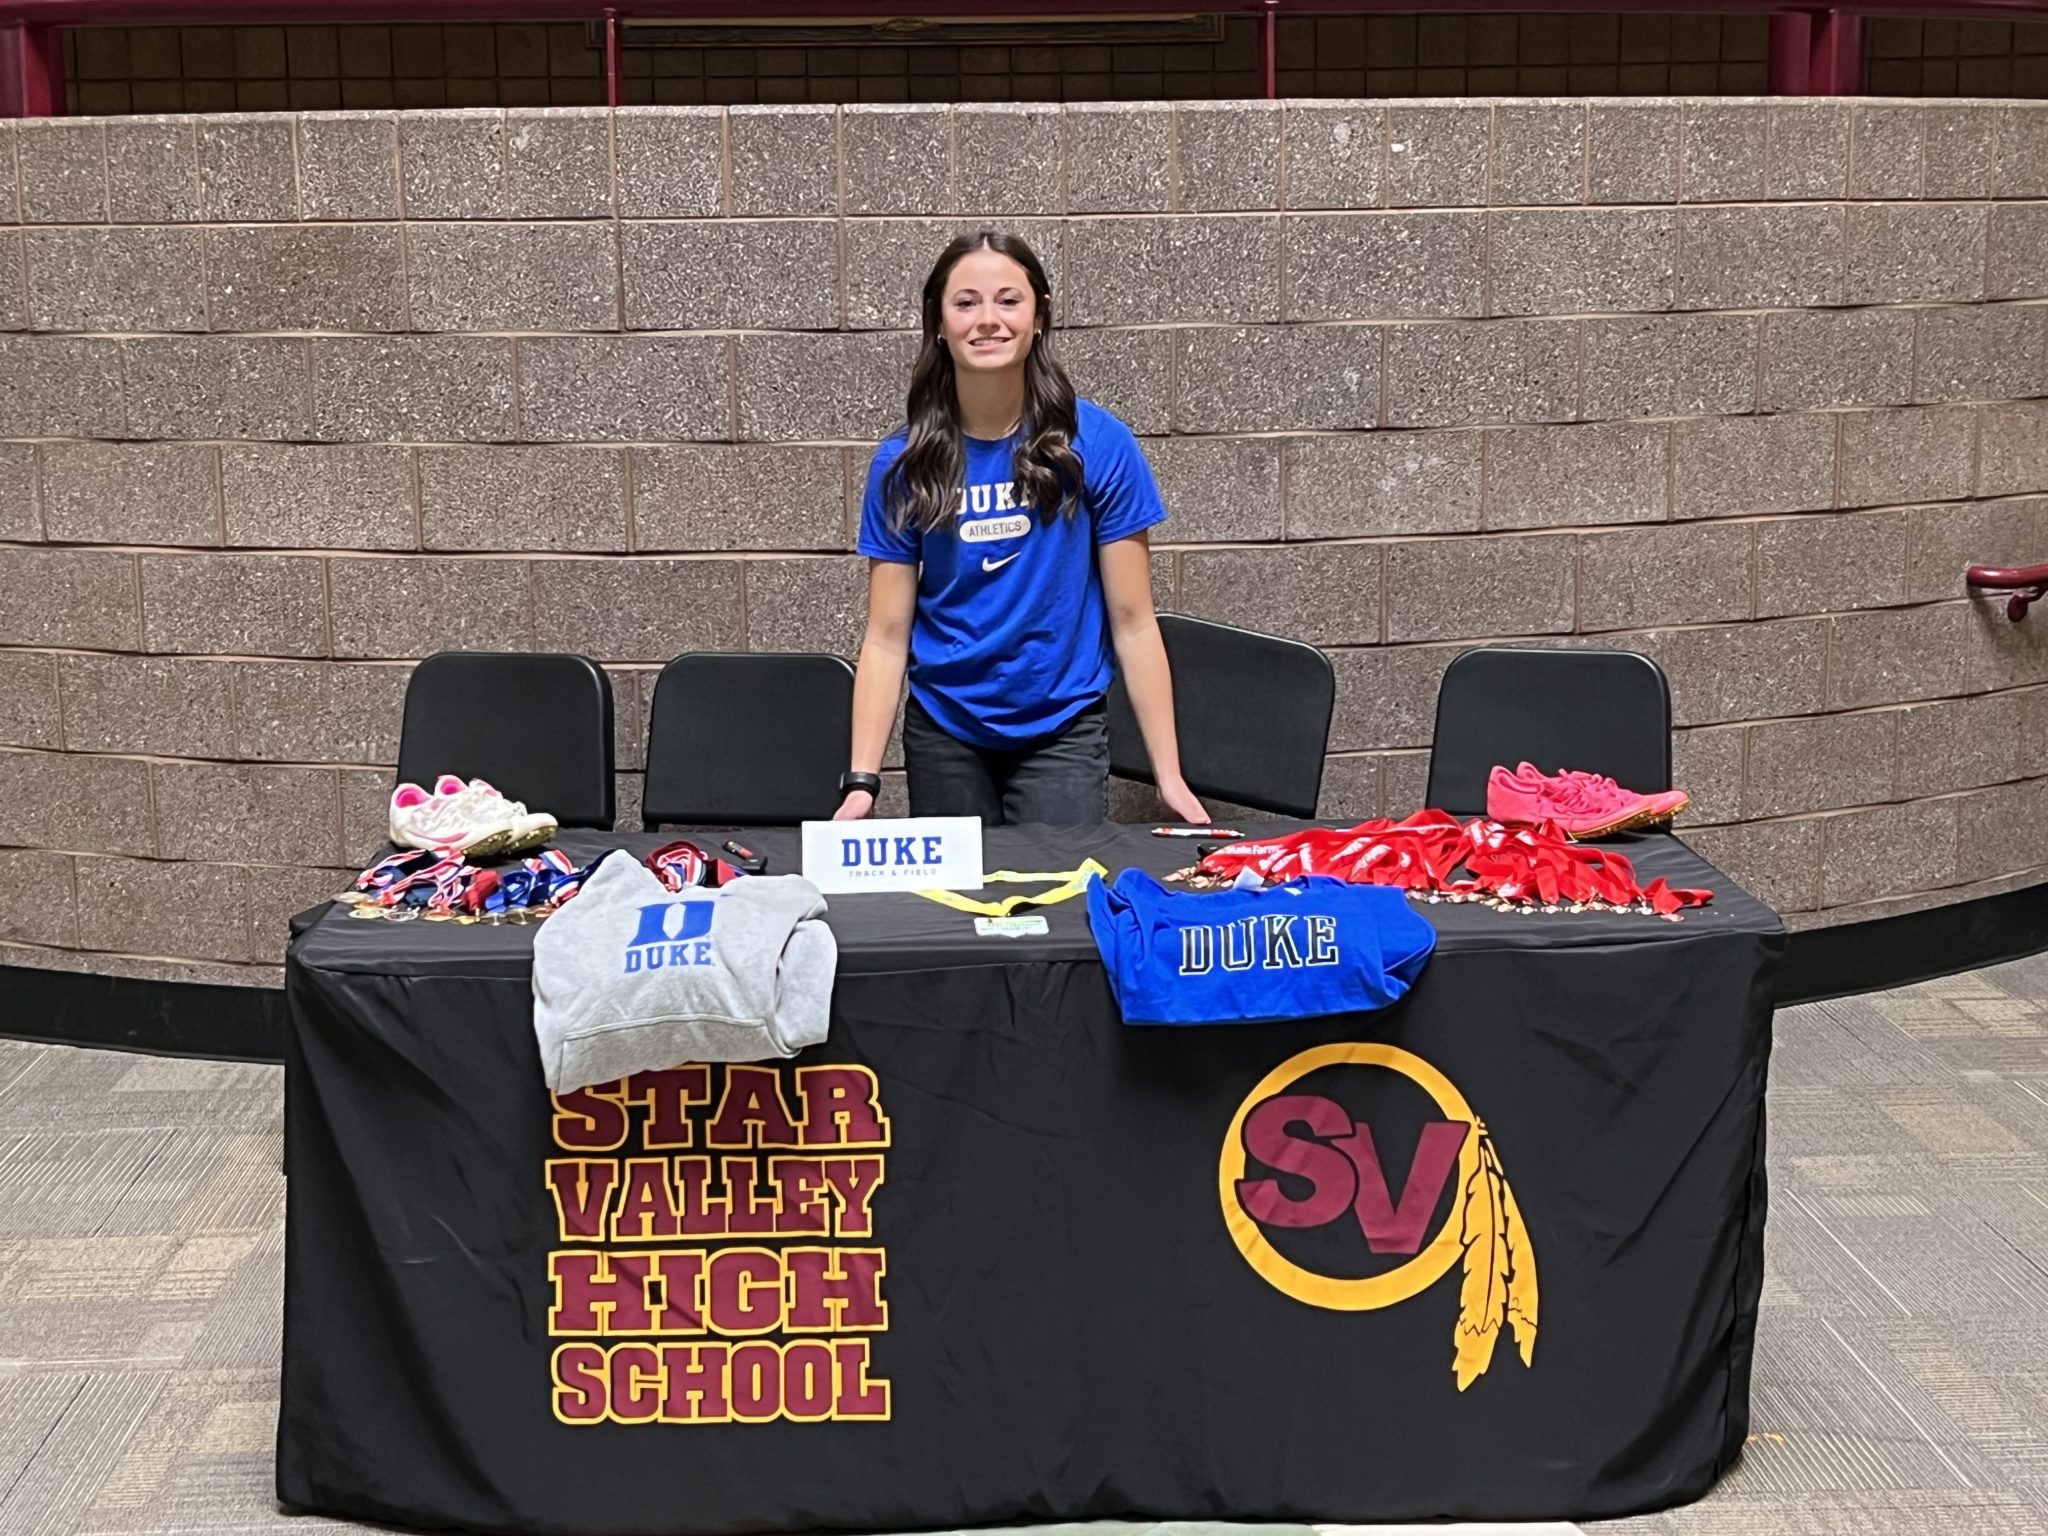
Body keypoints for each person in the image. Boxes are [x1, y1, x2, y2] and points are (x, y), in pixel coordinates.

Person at [833, 230, 1207, 827]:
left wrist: (1170, 775)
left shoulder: (1098, 444)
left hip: (1062, 728)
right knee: (959, 891)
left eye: (1009, 300)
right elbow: (886, 634)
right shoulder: (903, 462)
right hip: (947, 730)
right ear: (938, 322)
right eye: (966, 303)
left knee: (1061, 886)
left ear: (1039, 316)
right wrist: (862, 783)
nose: (988, 319)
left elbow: (1134, 621)